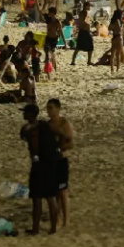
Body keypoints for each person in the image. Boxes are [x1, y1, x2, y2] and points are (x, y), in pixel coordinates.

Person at [20, 103, 59, 235]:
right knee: (51, 197)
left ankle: (36, 228)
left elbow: (30, 142)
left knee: (37, 198)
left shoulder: (29, 129)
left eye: (25, 112)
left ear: (31, 114)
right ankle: (53, 228)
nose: (23, 114)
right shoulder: (45, 125)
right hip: (51, 163)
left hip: (39, 164)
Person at [46, 98, 74, 228]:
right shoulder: (47, 125)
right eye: (48, 108)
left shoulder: (64, 123)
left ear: (58, 109)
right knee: (54, 192)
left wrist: (61, 141)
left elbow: (71, 143)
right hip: (51, 160)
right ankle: (58, 217)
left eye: (51, 108)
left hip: (61, 159)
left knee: (63, 192)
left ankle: (66, 220)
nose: (49, 111)